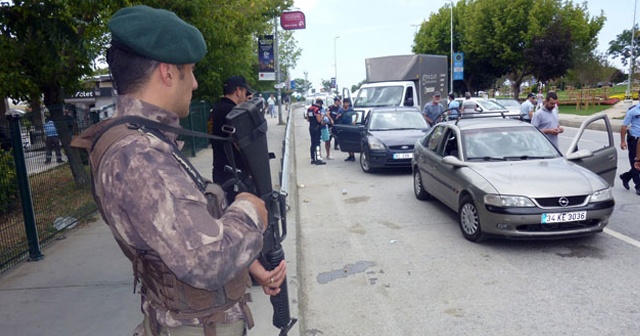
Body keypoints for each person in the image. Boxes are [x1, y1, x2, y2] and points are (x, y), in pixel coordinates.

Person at [84, 6, 286, 335]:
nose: (193, 83)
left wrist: (249, 264)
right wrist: (253, 210)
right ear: (167, 72)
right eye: (189, 72)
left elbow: (187, 228)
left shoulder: (140, 139)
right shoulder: (140, 155)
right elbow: (206, 260)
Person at [209, 76, 254, 202]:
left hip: (219, 169)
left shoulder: (215, 109)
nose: (246, 97)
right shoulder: (233, 113)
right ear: (238, 91)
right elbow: (241, 144)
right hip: (234, 173)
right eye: (245, 93)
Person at [619, 103, 640, 194]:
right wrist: (623, 141)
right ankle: (638, 186)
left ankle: (626, 176)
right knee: (635, 161)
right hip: (634, 140)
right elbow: (624, 126)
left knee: (638, 164)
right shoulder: (633, 111)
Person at [306, 98, 327, 165]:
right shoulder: (317, 110)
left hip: (311, 127)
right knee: (317, 143)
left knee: (312, 143)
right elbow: (319, 120)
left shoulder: (309, 109)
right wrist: (322, 116)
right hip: (317, 128)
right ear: (320, 104)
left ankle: (312, 159)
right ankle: (318, 159)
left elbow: (308, 119)